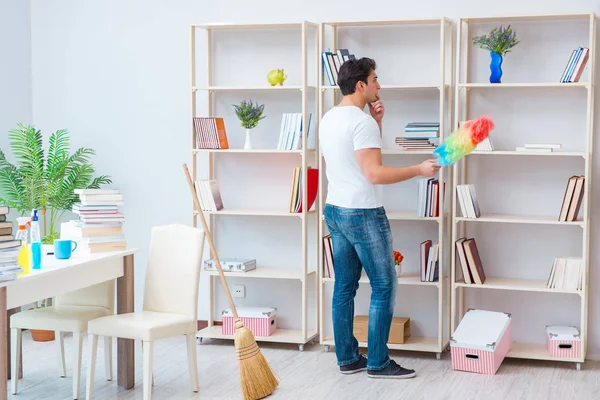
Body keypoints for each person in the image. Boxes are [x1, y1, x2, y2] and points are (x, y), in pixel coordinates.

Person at [319, 57, 440, 379]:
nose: (379, 85)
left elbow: (354, 161)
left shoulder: (330, 117)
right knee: (384, 286)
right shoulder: (361, 123)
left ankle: (347, 359)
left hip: (335, 209)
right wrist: (419, 170)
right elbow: (373, 173)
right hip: (363, 213)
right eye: (375, 80)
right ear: (361, 85)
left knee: (344, 287)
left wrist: (378, 123)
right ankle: (378, 362)